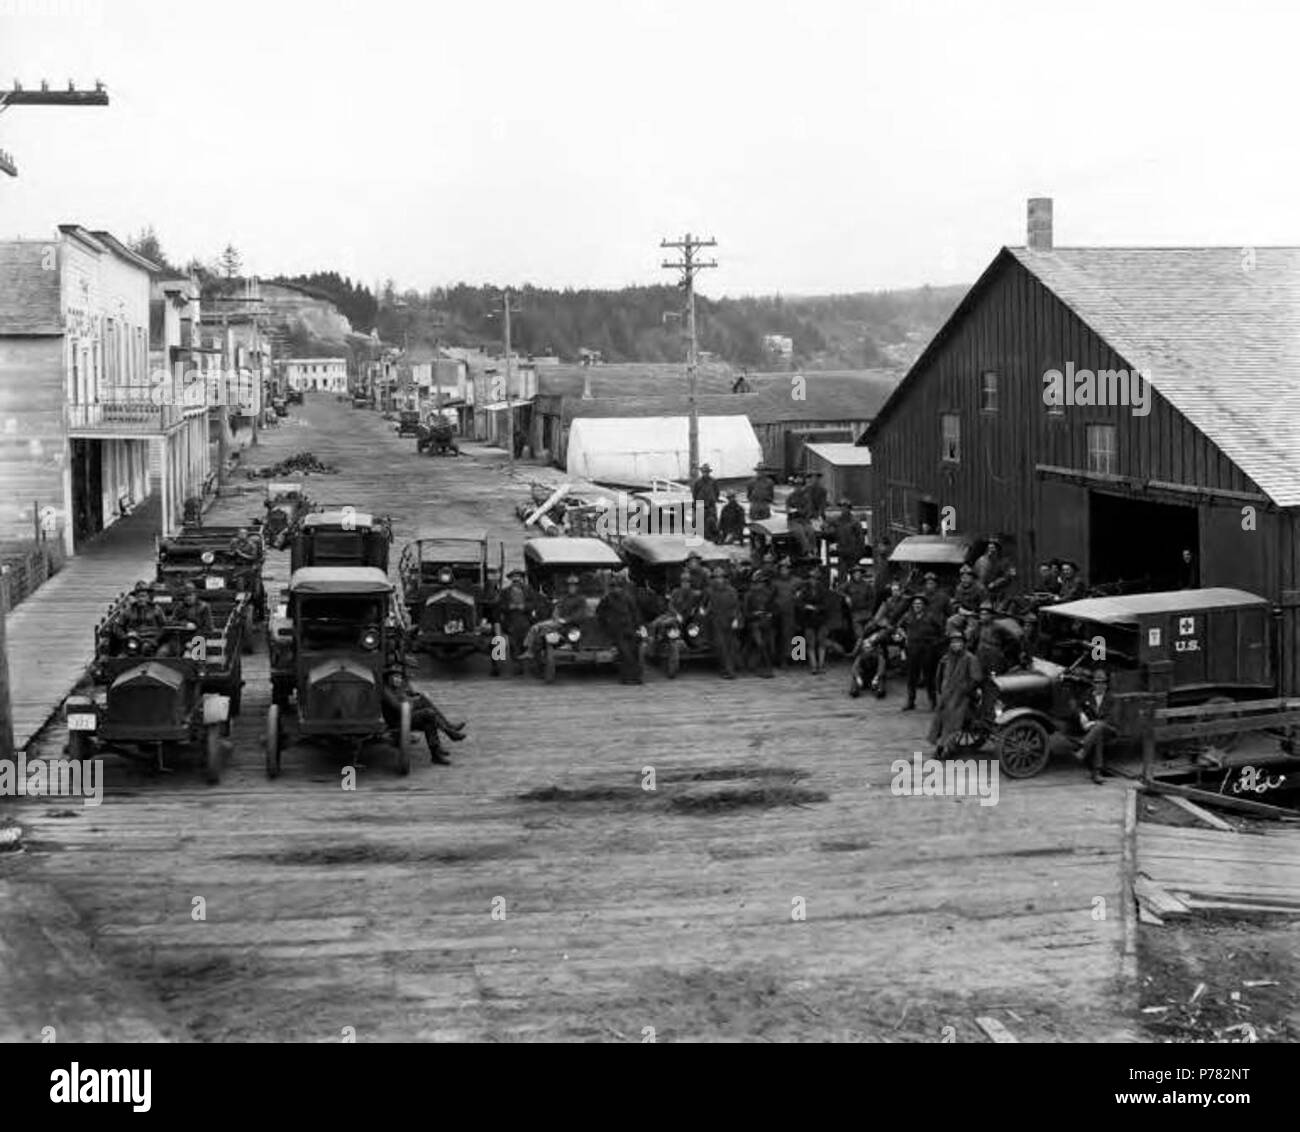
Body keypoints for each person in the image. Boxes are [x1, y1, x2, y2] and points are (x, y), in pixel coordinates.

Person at [381, 671, 466, 765]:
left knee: (428, 718)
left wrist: (411, 697)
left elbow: (405, 698)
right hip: (397, 721)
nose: (399, 680)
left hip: (406, 717)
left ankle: (436, 753)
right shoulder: (386, 691)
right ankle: (449, 730)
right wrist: (410, 700)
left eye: (400, 678)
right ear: (389, 678)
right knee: (428, 712)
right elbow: (400, 708)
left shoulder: (396, 688)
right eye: (395, 677)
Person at [928, 632, 984, 757]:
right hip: (947, 694)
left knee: (953, 719)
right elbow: (939, 676)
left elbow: (976, 678)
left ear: (963, 644)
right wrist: (939, 691)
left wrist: (965, 690)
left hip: (963, 696)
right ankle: (941, 744)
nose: (956, 645)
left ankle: (944, 748)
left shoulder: (970, 659)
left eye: (959, 642)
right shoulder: (946, 659)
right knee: (939, 718)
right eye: (953, 642)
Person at [597, 568, 645, 685]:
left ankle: (636, 677)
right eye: (614, 587)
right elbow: (600, 613)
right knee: (625, 653)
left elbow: (635, 613)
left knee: (634, 652)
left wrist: (639, 626)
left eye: (618, 586)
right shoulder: (607, 599)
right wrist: (607, 624)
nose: (616, 589)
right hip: (617, 630)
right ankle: (626, 677)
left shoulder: (628, 598)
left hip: (630, 628)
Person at [900, 594, 943, 710]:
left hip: (927, 649)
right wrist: (903, 636)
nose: (917, 606)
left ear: (924, 605)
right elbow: (899, 627)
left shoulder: (931, 617)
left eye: (919, 604)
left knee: (929, 676)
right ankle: (910, 701)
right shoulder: (908, 616)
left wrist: (935, 644)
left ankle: (932, 701)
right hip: (912, 649)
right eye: (915, 604)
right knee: (911, 676)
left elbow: (941, 631)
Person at [1074, 668, 1116, 784]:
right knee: (1098, 735)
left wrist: (1093, 723)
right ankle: (1096, 773)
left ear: (1106, 685)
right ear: (1093, 684)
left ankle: (1084, 746)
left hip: (1109, 729)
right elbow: (1077, 706)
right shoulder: (1088, 695)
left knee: (1100, 726)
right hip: (1095, 731)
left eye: (1103, 683)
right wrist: (1081, 714)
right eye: (1097, 683)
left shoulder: (1111, 698)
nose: (1100, 686)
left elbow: (1111, 719)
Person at [497, 568, 540, 675]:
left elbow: (534, 604)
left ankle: (531, 665)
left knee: (528, 642)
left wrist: (524, 606)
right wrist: (509, 606)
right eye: (514, 577)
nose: (516, 579)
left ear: (522, 578)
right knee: (513, 644)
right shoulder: (505, 592)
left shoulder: (528, 590)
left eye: (518, 577)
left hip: (526, 619)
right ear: (511, 579)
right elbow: (500, 606)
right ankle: (517, 665)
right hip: (511, 619)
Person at [701, 566, 741, 679]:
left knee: (731, 646)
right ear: (713, 579)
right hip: (716, 621)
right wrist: (703, 612)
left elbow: (737, 607)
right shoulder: (709, 590)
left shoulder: (732, 591)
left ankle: (728, 669)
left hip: (729, 620)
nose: (719, 579)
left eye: (721, 577)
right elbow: (703, 605)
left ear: (725, 578)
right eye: (716, 577)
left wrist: (736, 619)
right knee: (721, 646)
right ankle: (729, 671)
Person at [798, 569, 836, 674]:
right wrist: (806, 606)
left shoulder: (823, 590)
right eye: (811, 578)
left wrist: (816, 608)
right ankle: (814, 666)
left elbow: (827, 605)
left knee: (821, 642)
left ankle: (821, 665)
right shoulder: (804, 590)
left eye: (815, 578)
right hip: (808, 619)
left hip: (821, 619)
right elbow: (799, 604)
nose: (813, 580)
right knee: (811, 643)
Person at [742, 566, 776, 677]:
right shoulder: (748, 595)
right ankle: (761, 668)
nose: (760, 585)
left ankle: (765, 668)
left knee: (767, 646)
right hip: (754, 624)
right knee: (759, 644)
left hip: (766, 622)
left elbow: (774, 608)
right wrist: (754, 614)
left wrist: (770, 614)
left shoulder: (768, 594)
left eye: (762, 582)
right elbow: (745, 612)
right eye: (758, 582)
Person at [771, 558, 799, 669]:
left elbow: (804, 590)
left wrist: (798, 595)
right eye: (782, 568)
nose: (784, 571)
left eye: (786, 568)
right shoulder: (775, 582)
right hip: (777, 613)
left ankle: (793, 658)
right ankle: (779, 659)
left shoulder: (796, 581)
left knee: (790, 636)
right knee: (778, 637)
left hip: (791, 613)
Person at [841, 564, 877, 639]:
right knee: (859, 635)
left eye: (859, 573)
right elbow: (838, 591)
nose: (857, 575)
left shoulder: (867, 585)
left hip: (867, 613)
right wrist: (846, 596)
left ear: (861, 574)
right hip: (855, 614)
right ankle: (859, 647)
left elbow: (872, 599)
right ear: (852, 575)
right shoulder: (848, 585)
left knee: (871, 633)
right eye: (855, 573)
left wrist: (870, 611)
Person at [785, 475, 815, 557]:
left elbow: (808, 510)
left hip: (804, 520)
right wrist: (795, 511)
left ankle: (813, 551)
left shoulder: (807, 497)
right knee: (800, 532)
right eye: (796, 485)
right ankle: (806, 551)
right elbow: (788, 510)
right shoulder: (790, 497)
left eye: (800, 485)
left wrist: (801, 511)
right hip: (793, 521)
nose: (798, 487)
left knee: (811, 531)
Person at [692, 463, 720, 543]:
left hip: (710, 505)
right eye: (704, 472)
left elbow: (717, 492)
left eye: (707, 472)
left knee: (712, 521)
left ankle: (712, 538)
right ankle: (700, 539)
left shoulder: (713, 481)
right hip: (700, 504)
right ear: (702, 472)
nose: (705, 473)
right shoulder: (698, 482)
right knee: (699, 522)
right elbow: (695, 494)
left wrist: (713, 499)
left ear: (709, 472)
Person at [832, 502, 865, 570]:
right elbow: (832, 534)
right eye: (841, 507)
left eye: (844, 507)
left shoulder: (855, 522)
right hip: (841, 553)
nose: (842, 509)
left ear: (849, 509)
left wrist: (859, 554)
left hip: (853, 554)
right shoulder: (837, 521)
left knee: (854, 573)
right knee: (842, 575)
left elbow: (861, 539)